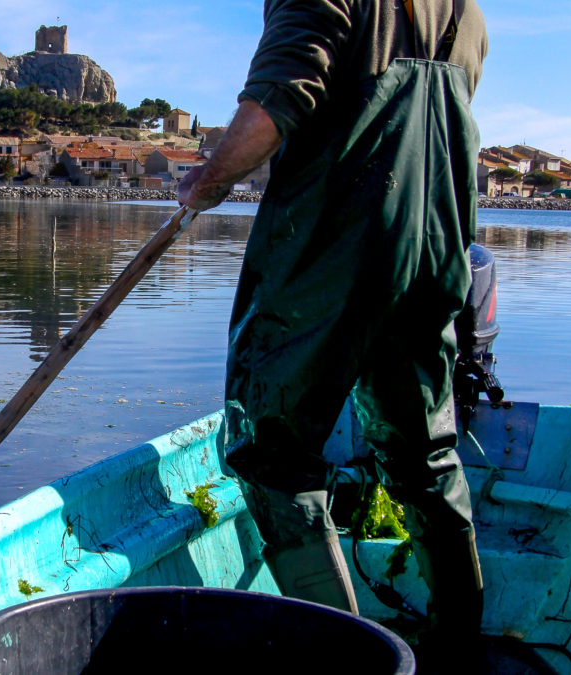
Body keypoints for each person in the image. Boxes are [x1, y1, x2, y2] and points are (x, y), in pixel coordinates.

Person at [178, 0, 488, 646]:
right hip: (437, 246)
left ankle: (350, 654)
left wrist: (206, 181)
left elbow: (277, 102)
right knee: (424, 455)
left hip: (340, 245)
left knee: (268, 451)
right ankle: (459, 648)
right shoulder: (467, 13)